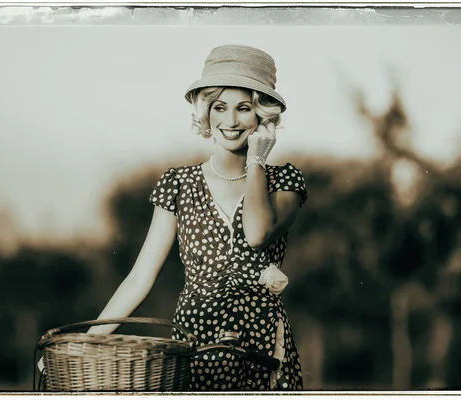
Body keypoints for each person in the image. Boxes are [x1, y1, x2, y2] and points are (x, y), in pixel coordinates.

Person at [87, 44, 307, 391]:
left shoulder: (284, 181)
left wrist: (257, 160)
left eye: (244, 108)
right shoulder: (178, 183)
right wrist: (89, 341)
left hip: (263, 347)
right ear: (206, 112)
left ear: (262, 116)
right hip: (196, 344)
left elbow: (256, 232)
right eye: (220, 107)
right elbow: (140, 278)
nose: (231, 121)